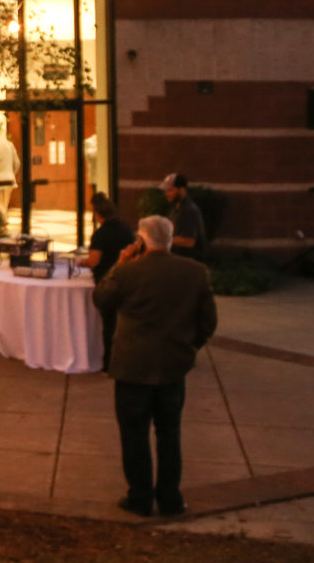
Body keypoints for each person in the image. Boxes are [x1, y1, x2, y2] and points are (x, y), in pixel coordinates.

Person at [93, 214, 217, 517]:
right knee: (169, 433)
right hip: (172, 367)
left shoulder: (128, 273)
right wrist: (188, 348)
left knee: (134, 433)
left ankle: (140, 497)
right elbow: (208, 322)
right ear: (170, 239)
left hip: (132, 366)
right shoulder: (195, 272)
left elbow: (101, 299)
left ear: (141, 240)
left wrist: (120, 263)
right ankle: (170, 498)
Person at [83, 192, 137, 368]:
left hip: (107, 282)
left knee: (109, 324)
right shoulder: (126, 229)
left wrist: (79, 261)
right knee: (124, 323)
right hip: (127, 278)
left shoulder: (100, 234)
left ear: (98, 215)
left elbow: (94, 261)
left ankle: (109, 363)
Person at [160, 173, 208, 261]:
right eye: (165, 190)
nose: (166, 193)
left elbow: (189, 241)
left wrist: (162, 240)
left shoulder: (189, 210)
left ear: (181, 190)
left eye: (170, 190)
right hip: (179, 261)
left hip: (189, 264)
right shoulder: (176, 208)